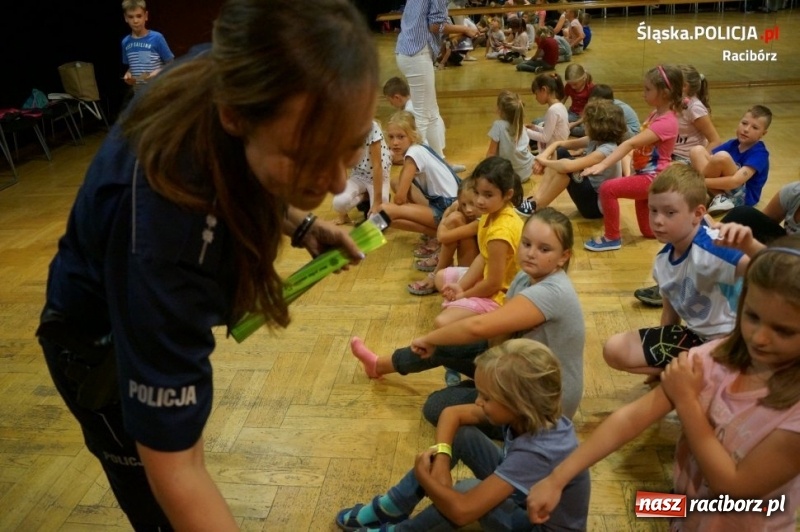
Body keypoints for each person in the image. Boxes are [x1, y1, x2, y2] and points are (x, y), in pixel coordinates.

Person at [34, 0, 379, 529]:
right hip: (98, 352)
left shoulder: (234, 68)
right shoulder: (164, 242)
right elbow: (178, 465)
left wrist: (303, 226)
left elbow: (247, 160)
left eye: (349, 147)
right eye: (307, 154)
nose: (336, 183)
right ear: (234, 114)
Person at [528, 236, 800, 532]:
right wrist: (558, 477)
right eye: (752, 316)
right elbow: (631, 418)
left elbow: (735, 488)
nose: (759, 338)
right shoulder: (715, 356)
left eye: (783, 331)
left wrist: (687, 403)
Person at [351, 208, 585, 423]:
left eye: (544, 249)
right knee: (447, 344)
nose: (531, 254)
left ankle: (477, 395)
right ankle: (377, 365)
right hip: (518, 372)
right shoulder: (526, 277)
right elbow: (500, 332)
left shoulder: (553, 291)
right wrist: (486, 375)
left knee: (436, 406)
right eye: (526, 244)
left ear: (563, 256)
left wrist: (432, 339)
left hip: (542, 408)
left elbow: (479, 326)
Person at [337, 339, 590, 532]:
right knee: (463, 435)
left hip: (536, 525)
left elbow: (461, 513)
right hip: (526, 497)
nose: (478, 402)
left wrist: (428, 480)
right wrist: (443, 460)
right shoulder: (530, 415)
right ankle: (392, 506)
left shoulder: (537, 450)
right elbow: (452, 414)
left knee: (467, 491)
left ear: (519, 403)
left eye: (487, 397)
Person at [603, 165, 755, 377]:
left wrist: (751, 246)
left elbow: (773, 271)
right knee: (614, 349)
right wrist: (661, 364)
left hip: (735, 343)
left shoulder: (713, 247)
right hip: (697, 339)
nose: (657, 220)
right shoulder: (663, 261)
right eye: (653, 210)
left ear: (698, 213)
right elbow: (669, 314)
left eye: (670, 212)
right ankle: (691, 376)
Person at [633, 64, 721, 307]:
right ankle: (671, 283)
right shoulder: (664, 110)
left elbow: (713, 140)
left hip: (683, 161)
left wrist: (696, 174)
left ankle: (676, 284)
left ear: (681, 88)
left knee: (684, 222)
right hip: (668, 159)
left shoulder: (694, 108)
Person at [583, 64, 682, 252]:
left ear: (665, 93)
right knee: (648, 231)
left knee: (607, 189)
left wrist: (603, 164)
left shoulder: (667, 122)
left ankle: (612, 237)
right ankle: (679, 230)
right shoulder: (656, 114)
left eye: (648, 89)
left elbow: (630, 144)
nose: (643, 93)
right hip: (645, 175)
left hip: (653, 179)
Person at [395, 0, 478, 159]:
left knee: (432, 113)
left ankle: (441, 164)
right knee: (422, 116)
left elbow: (433, 22)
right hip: (416, 54)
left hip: (409, 52)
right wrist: (465, 29)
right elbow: (435, 26)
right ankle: (415, 167)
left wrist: (461, 31)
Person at [528, 99, 628, 219]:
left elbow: (567, 167)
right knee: (561, 153)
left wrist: (545, 162)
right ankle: (537, 199)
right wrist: (542, 157)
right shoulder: (595, 139)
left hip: (595, 208)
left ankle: (538, 206)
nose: (583, 125)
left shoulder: (607, 149)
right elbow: (559, 144)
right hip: (589, 194)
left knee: (567, 171)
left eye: (586, 123)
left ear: (597, 127)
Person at [380, 110, 461, 241]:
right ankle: (434, 231)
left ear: (412, 136)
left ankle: (438, 236)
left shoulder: (413, 155)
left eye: (400, 137)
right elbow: (400, 183)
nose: (395, 142)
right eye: (391, 137)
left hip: (449, 209)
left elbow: (399, 199)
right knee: (395, 183)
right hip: (452, 202)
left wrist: (402, 209)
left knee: (385, 211)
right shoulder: (420, 146)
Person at [691, 105, 772, 216]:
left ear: (763, 134)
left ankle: (703, 192)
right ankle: (718, 197)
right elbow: (709, 162)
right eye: (744, 123)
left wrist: (696, 182)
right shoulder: (733, 143)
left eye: (755, 128)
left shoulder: (760, 154)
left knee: (722, 157)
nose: (746, 129)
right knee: (697, 150)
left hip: (742, 198)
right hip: (723, 189)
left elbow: (735, 181)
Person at [407, 178, 480, 294]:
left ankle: (438, 270)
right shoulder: (458, 206)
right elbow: (449, 211)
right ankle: (443, 259)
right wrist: (452, 212)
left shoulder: (480, 220)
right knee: (454, 217)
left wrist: (445, 224)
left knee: (454, 220)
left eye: (472, 204)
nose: (468, 210)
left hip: (478, 270)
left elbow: (441, 237)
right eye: (464, 204)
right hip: (474, 262)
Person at [516, 73, 570, 217]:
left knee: (546, 177)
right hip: (558, 147)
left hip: (555, 150)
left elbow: (546, 137)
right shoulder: (559, 106)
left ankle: (537, 201)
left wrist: (525, 131)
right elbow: (550, 132)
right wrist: (535, 128)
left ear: (544, 90)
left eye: (536, 94)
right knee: (548, 177)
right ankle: (536, 200)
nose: (536, 98)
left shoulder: (553, 110)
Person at [332, 119, 392, 224]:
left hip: (378, 176)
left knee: (377, 221)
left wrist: (377, 202)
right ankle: (366, 196)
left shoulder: (371, 127)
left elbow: (377, 166)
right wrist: (343, 214)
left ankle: (377, 196)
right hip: (358, 176)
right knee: (338, 203)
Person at [121, 0, 174, 95]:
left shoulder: (157, 38)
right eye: (131, 17)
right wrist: (128, 75)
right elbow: (132, 66)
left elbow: (171, 63)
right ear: (125, 18)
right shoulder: (125, 42)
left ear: (146, 16)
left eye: (139, 16)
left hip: (158, 91)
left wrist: (158, 72)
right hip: (139, 95)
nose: (135, 21)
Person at [722, 180, 800, 243]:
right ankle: (713, 241)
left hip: (794, 257)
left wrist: (751, 247)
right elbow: (760, 223)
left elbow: (735, 180)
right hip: (785, 244)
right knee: (742, 214)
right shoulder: (794, 191)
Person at [486, 90, 533, 184]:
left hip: (510, 176)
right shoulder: (521, 125)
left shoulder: (498, 125)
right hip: (527, 171)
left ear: (500, 111)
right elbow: (528, 148)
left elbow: (491, 154)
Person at [561, 63, 594, 137]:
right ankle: (563, 127)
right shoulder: (569, 86)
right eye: (570, 84)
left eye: (575, 84)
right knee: (539, 121)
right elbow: (562, 100)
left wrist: (574, 124)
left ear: (583, 78)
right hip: (572, 113)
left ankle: (562, 128)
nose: (572, 87)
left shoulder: (591, 88)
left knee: (586, 131)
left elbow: (589, 111)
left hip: (585, 117)